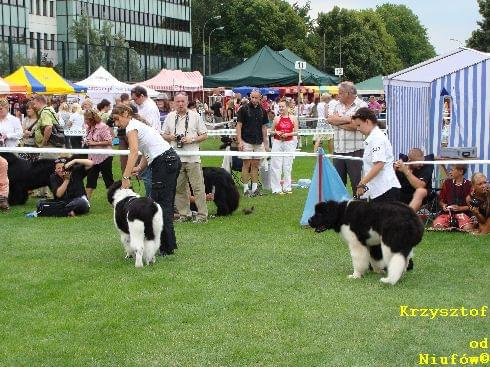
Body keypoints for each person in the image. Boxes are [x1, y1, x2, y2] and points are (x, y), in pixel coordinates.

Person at [111, 104, 181, 256]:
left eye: (117, 119)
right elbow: (146, 150)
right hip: (167, 160)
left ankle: (165, 247)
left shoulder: (131, 127)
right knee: (161, 204)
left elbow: (134, 152)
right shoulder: (137, 125)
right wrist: (140, 168)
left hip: (164, 162)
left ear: (125, 113)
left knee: (160, 205)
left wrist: (126, 176)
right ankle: (166, 246)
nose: (117, 124)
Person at [162, 93, 208, 223]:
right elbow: (163, 134)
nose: (180, 104)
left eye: (183, 101)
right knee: (178, 188)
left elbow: (204, 135)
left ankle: (202, 215)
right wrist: (171, 137)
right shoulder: (170, 117)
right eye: (178, 102)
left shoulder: (195, 116)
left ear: (187, 102)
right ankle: (184, 214)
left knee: (198, 188)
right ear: (174, 103)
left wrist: (191, 139)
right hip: (176, 158)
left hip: (193, 157)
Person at [327, 82, 368, 191]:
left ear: (349, 93)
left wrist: (338, 122)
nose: (338, 95)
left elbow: (356, 126)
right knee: (337, 185)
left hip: (355, 150)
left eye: (340, 93)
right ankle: (341, 207)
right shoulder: (336, 104)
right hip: (338, 150)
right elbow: (330, 119)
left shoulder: (362, 105)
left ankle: (359, 206)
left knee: (357, 184)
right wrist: (349, 119)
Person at [353, 108, 400, 201]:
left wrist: (362, 183)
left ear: (367, 121)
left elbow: (379, 164)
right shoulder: (373, 138)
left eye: (359, 125)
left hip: (385, 190)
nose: (358, 129)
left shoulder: (377, 138)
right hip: (380, 189)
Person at [236, 90, 270, 197]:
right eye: (252, 97)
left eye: (256, 98)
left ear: (260, 98)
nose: (254, 100)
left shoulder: (263, 111)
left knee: (256, 165)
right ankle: (246, 189)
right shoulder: (243, 109)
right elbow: (239, 126)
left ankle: (255, 189)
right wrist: (239, 141)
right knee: (246, 165)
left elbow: (264, 128)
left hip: (258, 141)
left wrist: (266, 143)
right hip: (246, 141)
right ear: (250, 97)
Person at [131, 86, 161, 197]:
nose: (134, 101)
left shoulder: (150, 107)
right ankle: (150, 198)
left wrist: (141, 119)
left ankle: (150, 198)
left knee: (147, 175)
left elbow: (152, 127)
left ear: (142, 96)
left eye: (135, 99)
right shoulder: (142, 106)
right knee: (145, 174)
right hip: (146, 142)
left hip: (151, 143)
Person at [84, 109, 114, 201]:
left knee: (108, 179)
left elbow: (109, 141)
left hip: (104, 157)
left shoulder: (102, 127)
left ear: (92, 119)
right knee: (90, 179)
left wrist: (94, 143)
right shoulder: (89, 127)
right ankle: (86, 201)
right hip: (93, 158)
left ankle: (114, 200)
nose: (85, 121)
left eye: (86, 119)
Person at [270, 99, 298, 194]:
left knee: (287, 165)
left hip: (289, 143)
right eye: (280, 106)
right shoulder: (276, 118)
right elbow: (271, 131)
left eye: (282, 106)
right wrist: (277, 132)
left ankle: (287, 187)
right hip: (278, 142)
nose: (281, 108)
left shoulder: (293, 118)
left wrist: (288, 134)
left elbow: (297, 132)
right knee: (276, 165)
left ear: (287, 107)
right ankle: (276, 188)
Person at [432, 165, 473, 231]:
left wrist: (460, 208)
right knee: (438, 226)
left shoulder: (469, 184)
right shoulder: (447, 183)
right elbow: (441, 201)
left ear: (461, 172)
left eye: (452, 170)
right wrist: (443, 205)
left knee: (468, 228)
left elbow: (472, 206)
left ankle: (453, 227)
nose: (450, 172)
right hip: (447, 213)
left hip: (463, 214)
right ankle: (453, 227)